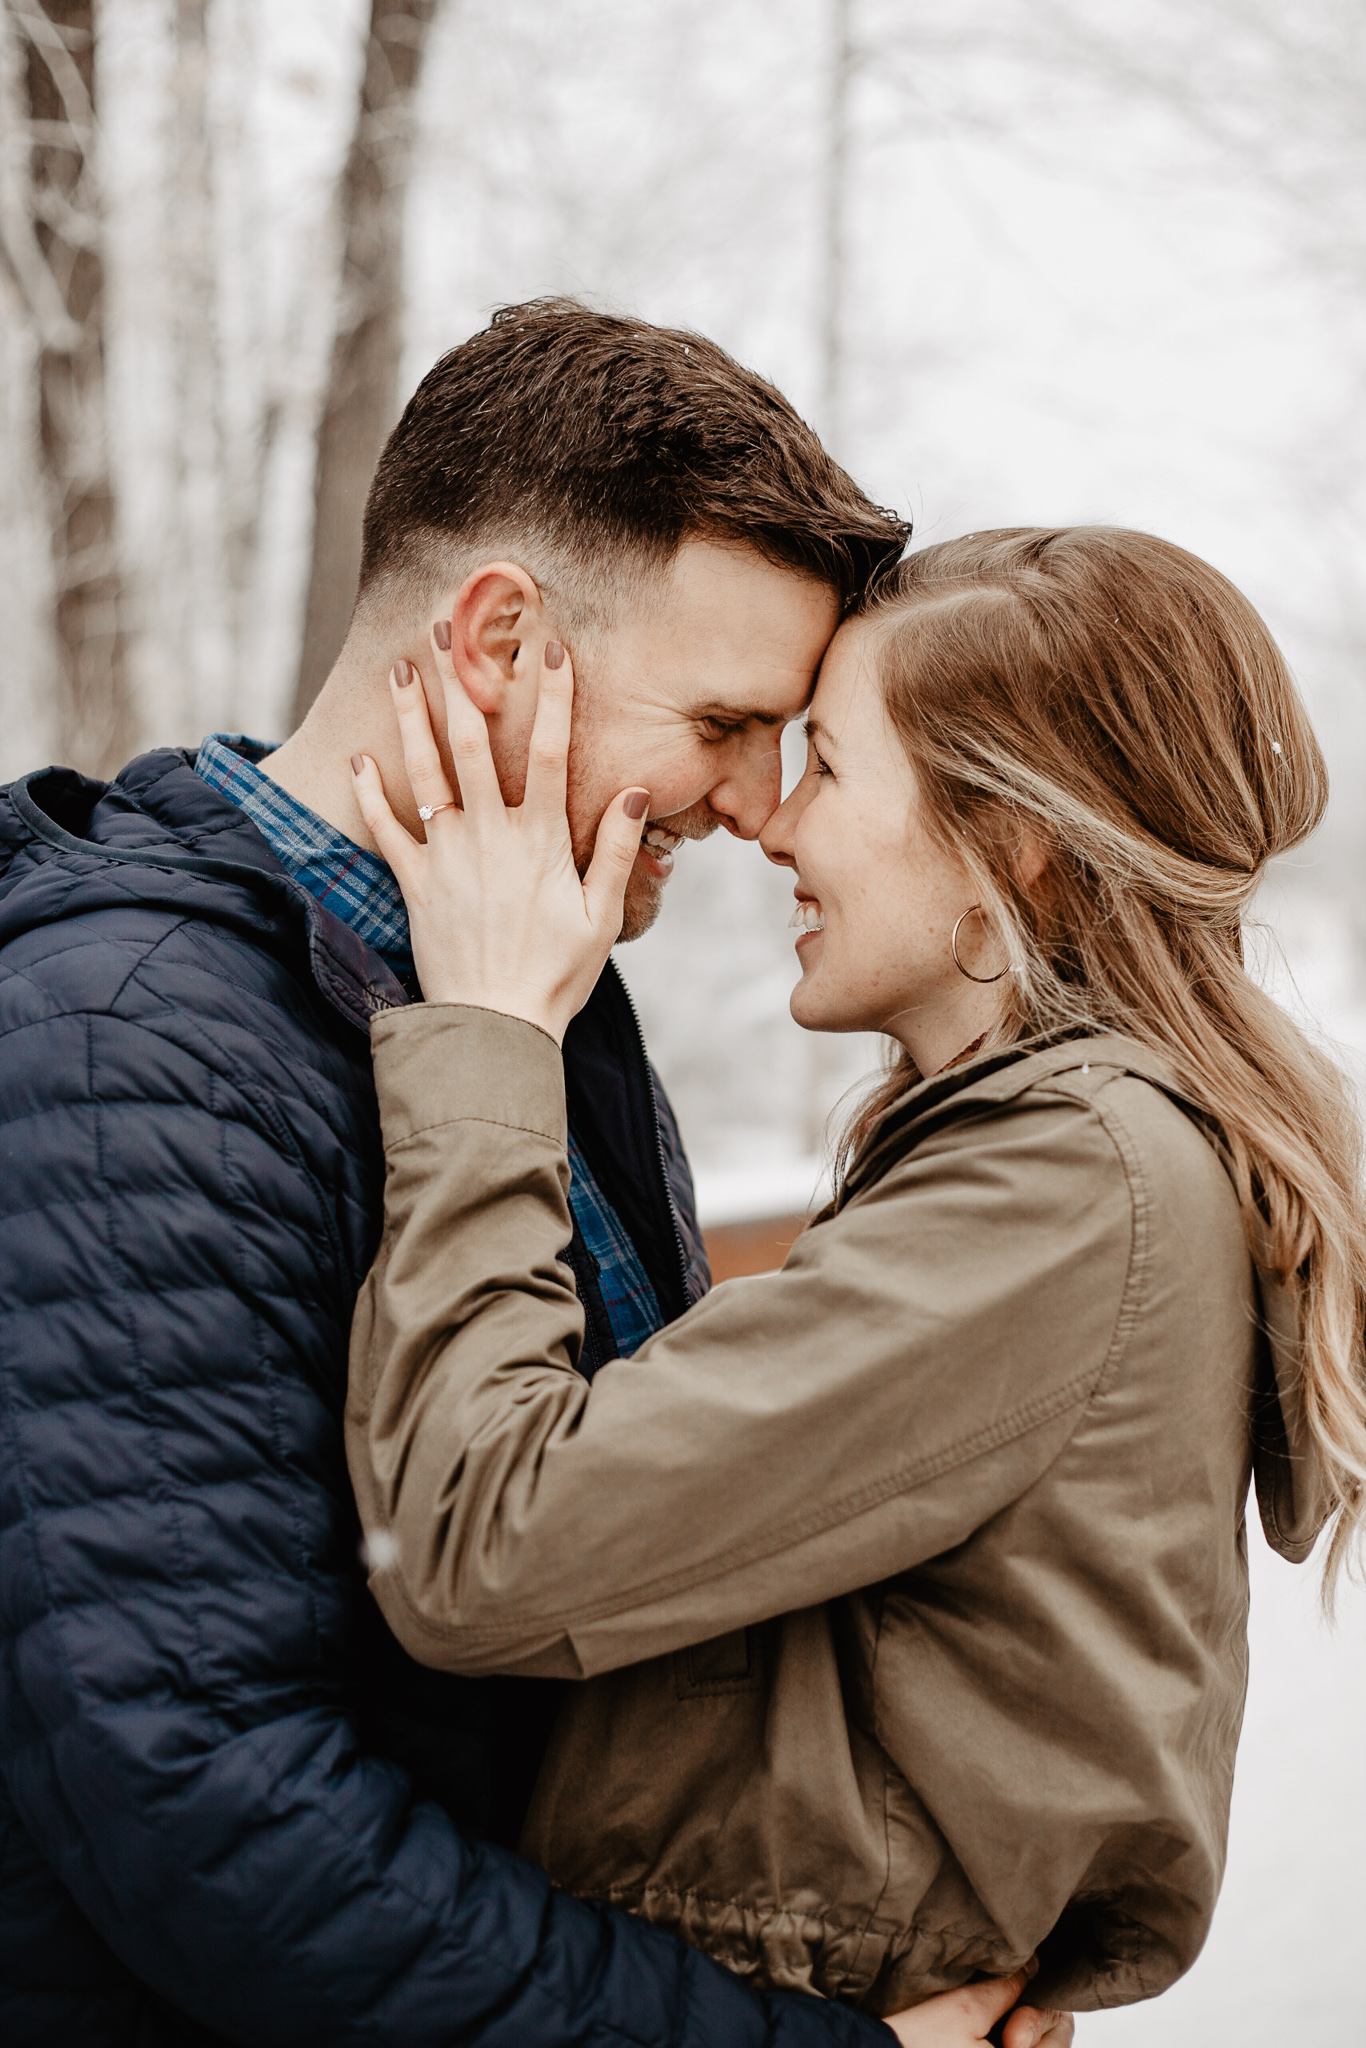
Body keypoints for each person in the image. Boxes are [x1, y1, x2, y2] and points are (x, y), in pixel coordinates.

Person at [0, 299, 1068, 2047]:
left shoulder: (520, 972)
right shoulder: (123, 1046)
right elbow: (209, 1800)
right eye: (723, 721)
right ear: (496, 637)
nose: (749, 804)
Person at [345, 526, 1366, 2025]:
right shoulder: (1063, 1161)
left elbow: (480, 1541)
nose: (770, 820)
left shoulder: (1063, 1184)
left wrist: (492, 1030)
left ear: (1009, 840)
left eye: (824, 764)